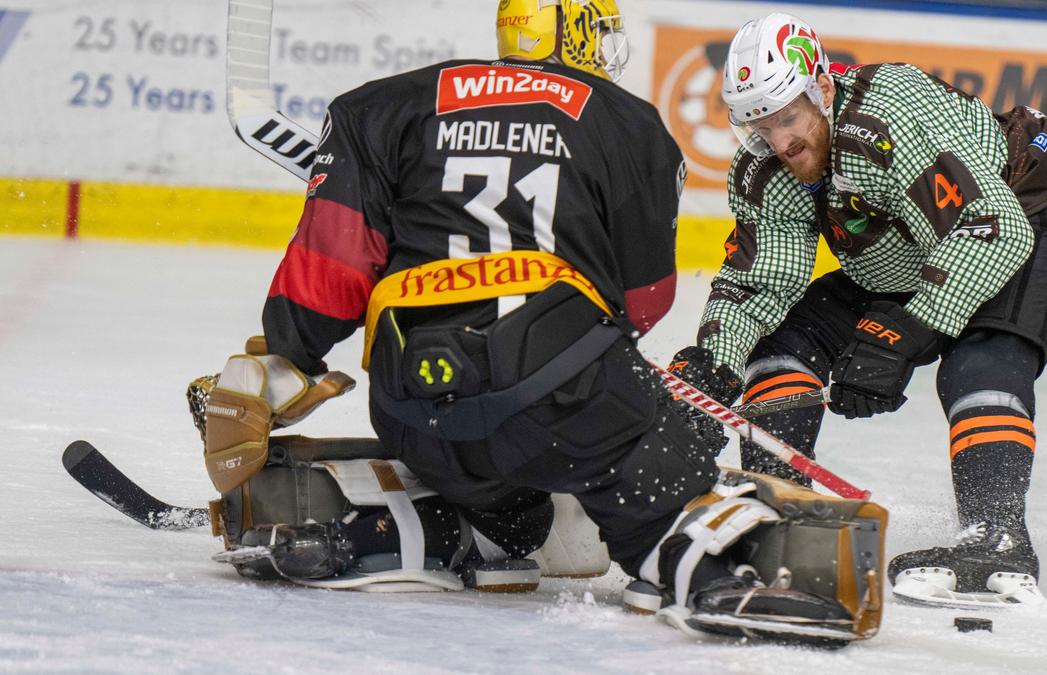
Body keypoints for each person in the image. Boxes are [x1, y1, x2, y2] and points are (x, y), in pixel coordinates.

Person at [196, 0, 886, 643]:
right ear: (580, 31)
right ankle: (688, 562)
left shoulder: (380, 107)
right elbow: (643, 300)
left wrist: (288, 357)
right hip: (558, 390)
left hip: (412, 403)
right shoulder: (627, 122)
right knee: (653, 455)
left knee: (507, 487)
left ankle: (467, 528)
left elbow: (329, 272)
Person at [670, 12, 1047, 606]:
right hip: (911, 248)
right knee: (782, 346)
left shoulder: (889, 113)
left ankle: (998, 539)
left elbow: (990, 229)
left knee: (980, 361)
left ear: (821, 87)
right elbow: (761, 284)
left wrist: (905, 334)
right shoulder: (766, 166)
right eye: (759, 127)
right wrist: (713, 365)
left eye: (787, 118)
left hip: (1030, 212)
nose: (779, 143)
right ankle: (777, 510)